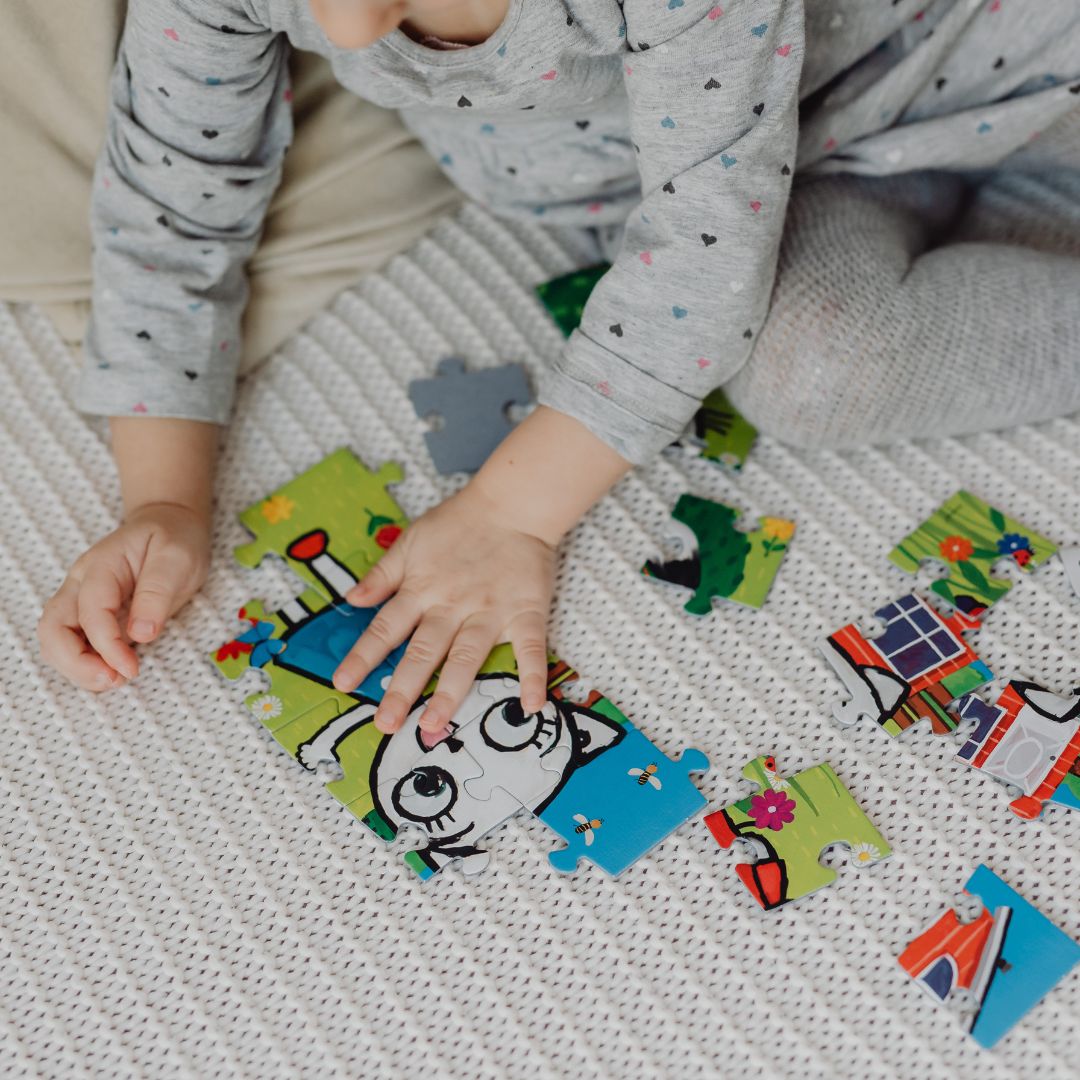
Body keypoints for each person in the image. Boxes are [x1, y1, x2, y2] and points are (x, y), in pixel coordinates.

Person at [37, 0, 1080, 743]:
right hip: (837, 164)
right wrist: (162, 498)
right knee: (815, 365)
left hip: (1026, 72)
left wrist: (513, 510)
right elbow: (173, 208)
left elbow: (702, 257)